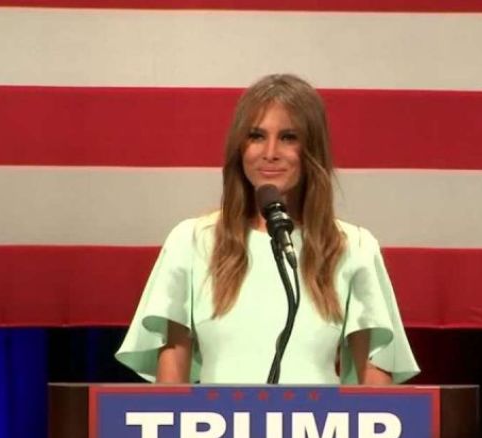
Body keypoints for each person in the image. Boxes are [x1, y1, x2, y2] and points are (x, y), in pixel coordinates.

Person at [115, 74, 419, 385]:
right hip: (213, 430)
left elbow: (377, 384)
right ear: (240, 147)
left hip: (319, 431)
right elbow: (171, 382)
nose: (270, 152)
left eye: (288, 137)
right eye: (257, 136)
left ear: (312, 149)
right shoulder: (192, 241)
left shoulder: (352, 246)